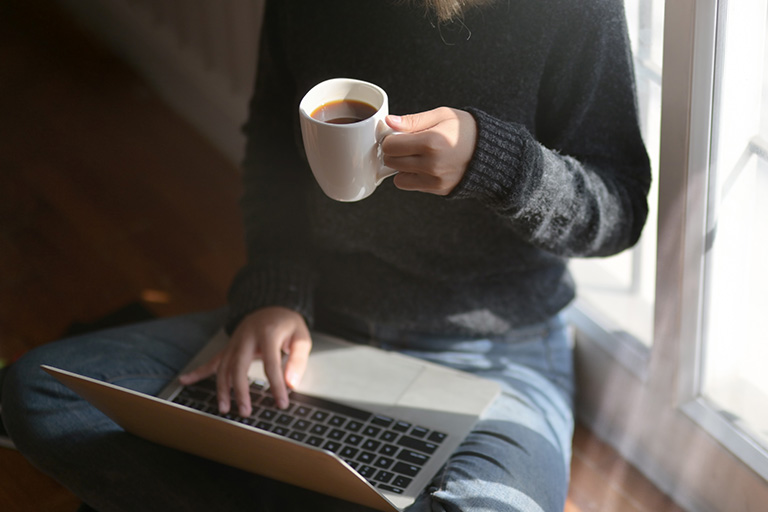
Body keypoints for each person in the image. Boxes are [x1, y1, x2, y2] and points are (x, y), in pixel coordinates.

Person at [1, 0, 651, 510]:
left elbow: (618, 212)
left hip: (495, 351)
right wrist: (277, 291)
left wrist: (501, 162)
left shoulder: (575, 8)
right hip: (318, 325)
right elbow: (276, 152)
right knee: (40, 394)